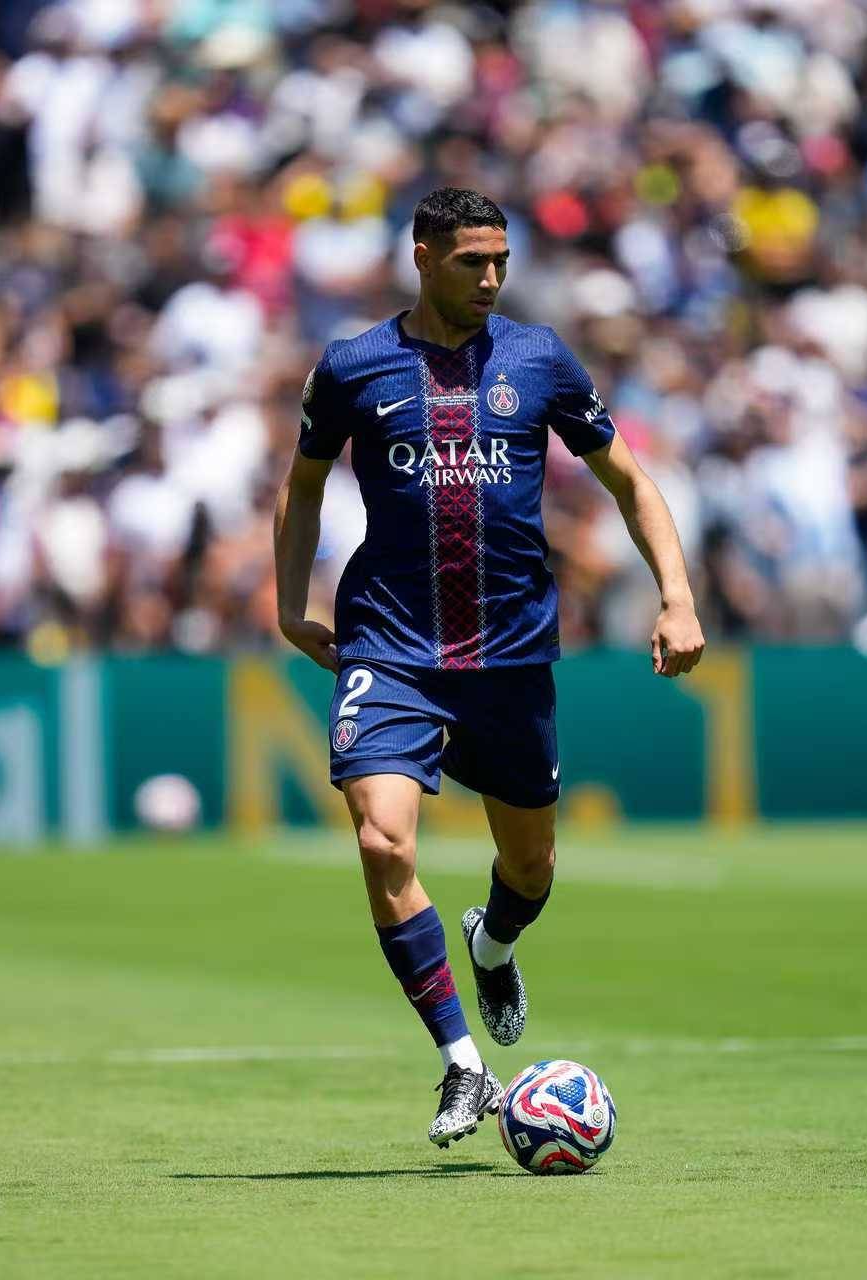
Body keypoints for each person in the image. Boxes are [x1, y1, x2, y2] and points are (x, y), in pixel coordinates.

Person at [271, 188, 707, 1148]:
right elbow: (302, 487)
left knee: (531, 865)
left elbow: (630, 481)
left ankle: (494, 942)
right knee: (384, 843)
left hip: (509, 654)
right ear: (423, 256)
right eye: (473, 260)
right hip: (389, 644)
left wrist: (676, 595)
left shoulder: (539, 358)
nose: (492, 278)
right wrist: (291, 605)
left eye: (501, 260)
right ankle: (463, 1063)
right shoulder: (352, 367)